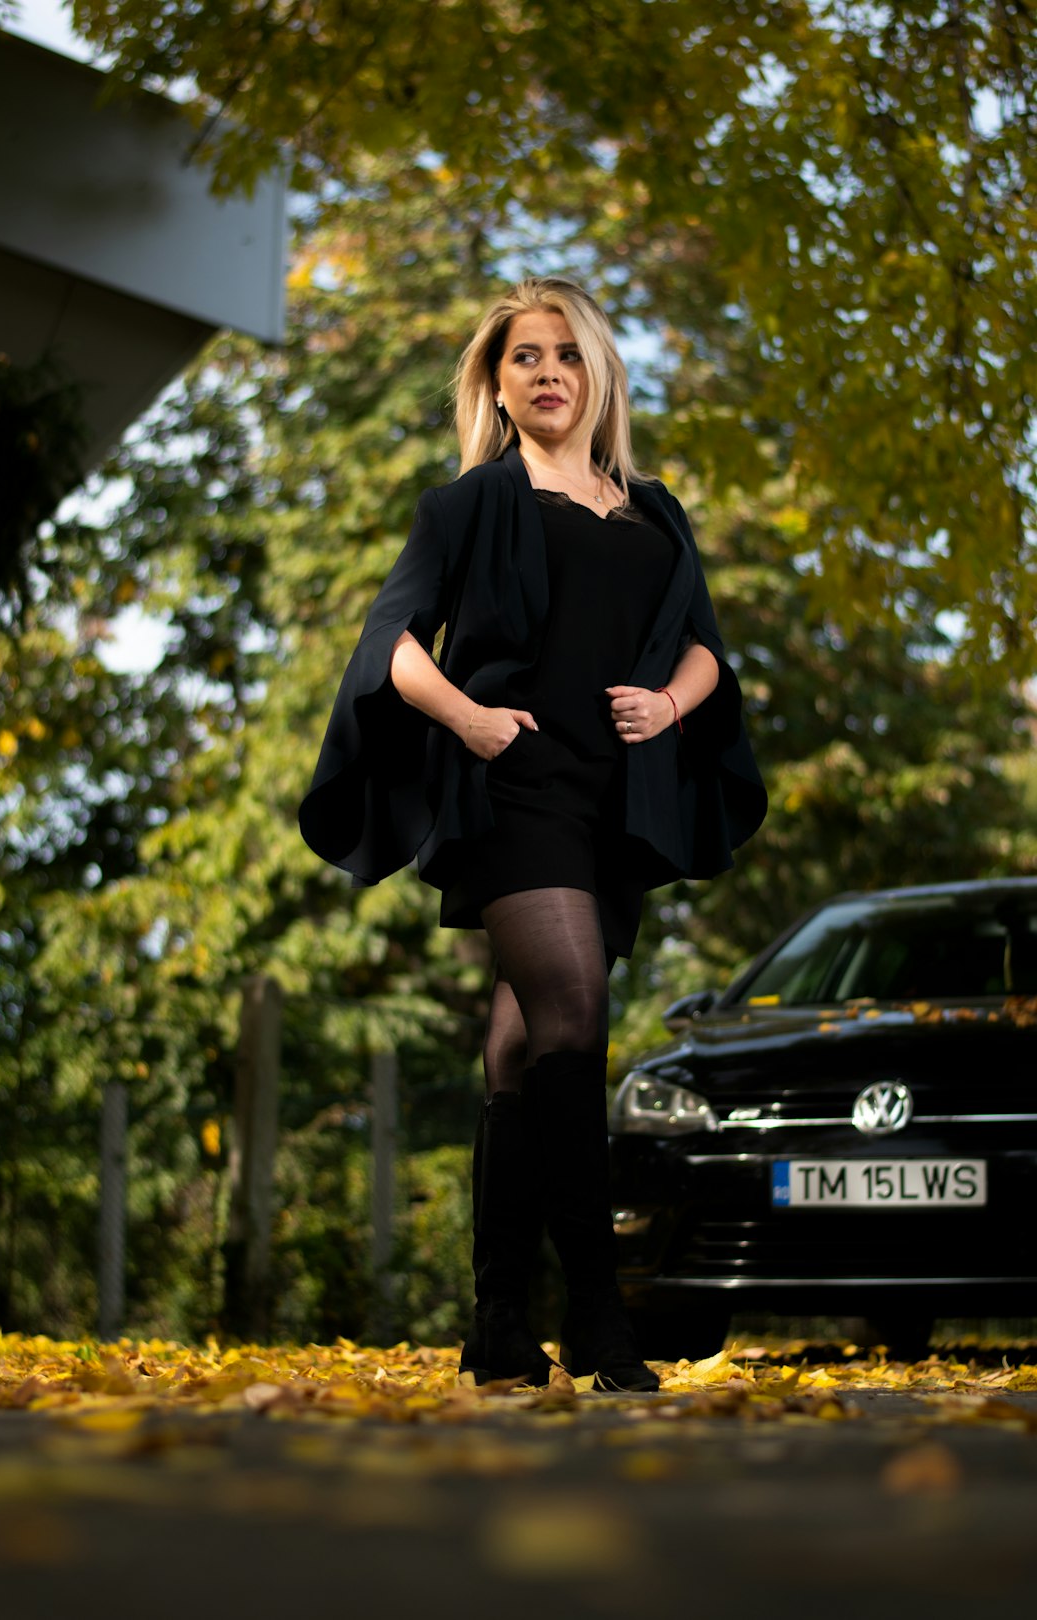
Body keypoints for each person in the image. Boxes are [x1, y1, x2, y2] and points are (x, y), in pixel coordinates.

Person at [299, 277, 767, 1391]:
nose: (548, 370)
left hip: (615, 804)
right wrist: (468, 719)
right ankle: (599, 1317)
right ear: (497, 385)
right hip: (516, 794)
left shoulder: (654, 511)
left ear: (596, 371)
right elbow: (391, 648)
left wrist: (670, 706)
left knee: (519, 1048)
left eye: (565, 352)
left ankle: (498, 1323)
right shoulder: (467, 505)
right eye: (524, 358)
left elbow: (703, 647)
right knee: (575, 1015)